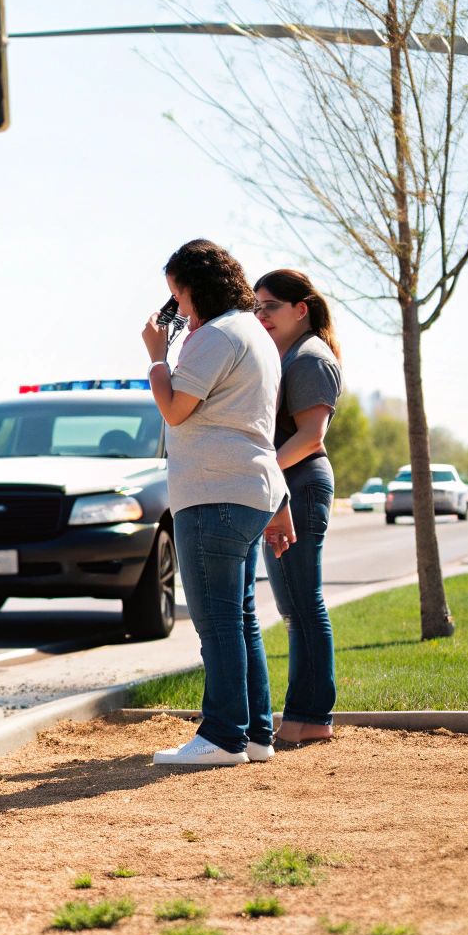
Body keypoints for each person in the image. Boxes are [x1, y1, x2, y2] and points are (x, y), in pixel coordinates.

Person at [140, 239, 295, 767]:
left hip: (213, 494)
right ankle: (255, 733)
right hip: (248, 490)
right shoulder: (252, 332)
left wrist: (158, 358)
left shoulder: (216, 336)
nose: (176, 310)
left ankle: (223, 736)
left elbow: (177, 409)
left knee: (218, 623)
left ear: (195, 288)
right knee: (241, 617)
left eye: (177, 297)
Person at [253, 269, 343, 745]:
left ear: (300, 308)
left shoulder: (310, 358)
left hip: (300, 484)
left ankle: (310, 717)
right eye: (256, 308)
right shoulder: (287, 355)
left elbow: (311, 437)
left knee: (304, 605)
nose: (260, 315)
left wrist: (265, 471)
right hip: (287, 483)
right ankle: (308, 718)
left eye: (270, 306)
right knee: (296, 607)